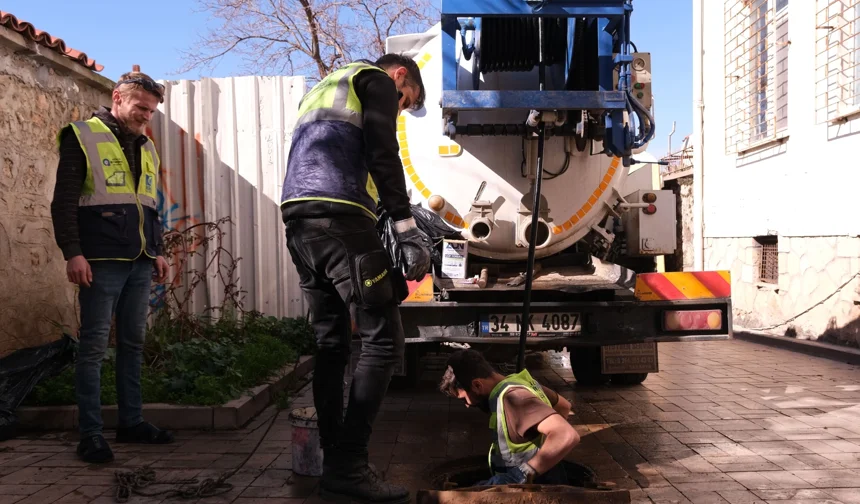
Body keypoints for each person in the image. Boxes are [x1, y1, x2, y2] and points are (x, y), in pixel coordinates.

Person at [280, 53, 432, 503]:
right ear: (399, 76)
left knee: (332, 344)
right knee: (384, 341)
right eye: (406, 100)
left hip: (300, 221)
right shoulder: (375, 80)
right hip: (341, 219)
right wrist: (406, 228)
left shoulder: (323, 87)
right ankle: (349, 467)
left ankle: (333, 461)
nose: (399, 109)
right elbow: (383, 152)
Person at [50, 70, 174, 464]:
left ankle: (131, 422)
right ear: (118, 97)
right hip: (100, 260)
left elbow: (148, 206)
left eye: (151, 111)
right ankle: (90, 435)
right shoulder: (82, 135)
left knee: (133, 345)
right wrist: (73, 252)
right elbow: (64, 201)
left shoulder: (147, 146)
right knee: (93, 347)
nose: (146, 116)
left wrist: (158, 251)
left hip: (140, 260)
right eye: (141, 107)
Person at [439, 349, 580, 486]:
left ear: (477, 385)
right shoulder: (520, 382)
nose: (467, 405)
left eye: (464, 399)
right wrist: (549, 448)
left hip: (538, 490)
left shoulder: (514, 398)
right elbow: (563, 406)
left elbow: (566, 434)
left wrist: (523, 473)